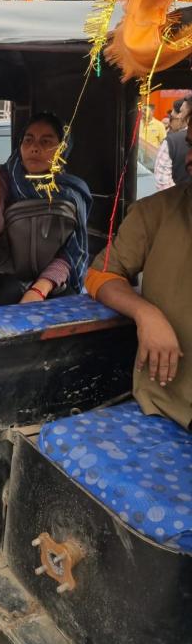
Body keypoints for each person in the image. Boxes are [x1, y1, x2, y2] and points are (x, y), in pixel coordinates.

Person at [85, 126, 192, 429]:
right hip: (174, 401)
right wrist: (146, 313)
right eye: (190, 145)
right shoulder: (156, 211)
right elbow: (99, 273)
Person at [0, 112, 92, 306]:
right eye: (28, 140)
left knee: (66, 302)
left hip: (51, 276)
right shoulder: (0, 179)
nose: (34, 148)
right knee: (6, 294)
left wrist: (40, 288)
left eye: (46, 142)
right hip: (2, 272)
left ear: (63, 148)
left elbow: (71, 252)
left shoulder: (72, 191)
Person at [154, 95, 192, 190]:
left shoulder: (172, 141)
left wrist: (181, 201)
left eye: (172, 117)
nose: (179, 117)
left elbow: (163, 183)